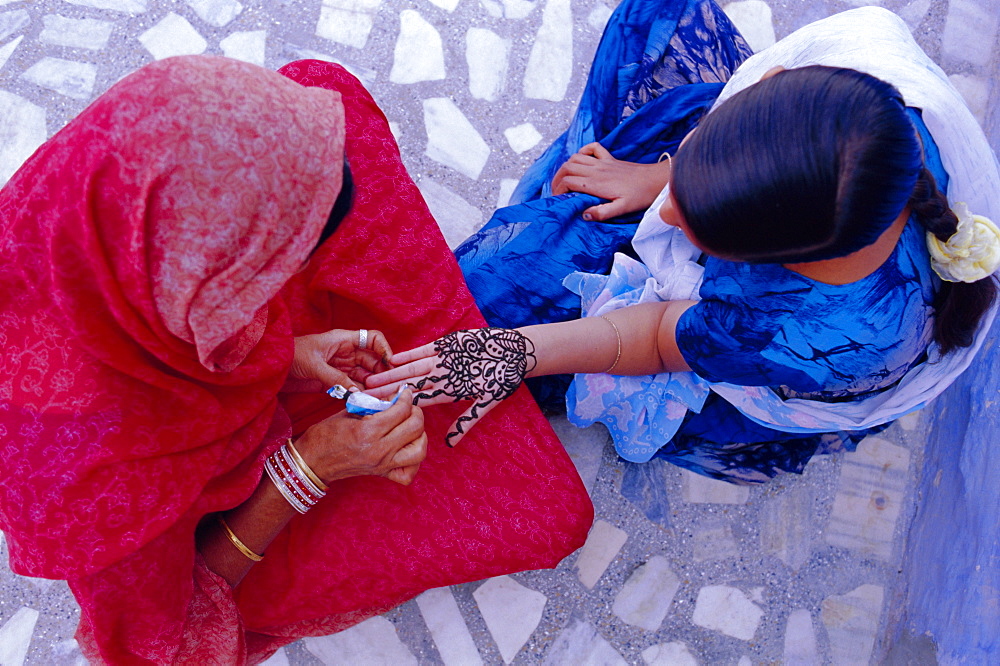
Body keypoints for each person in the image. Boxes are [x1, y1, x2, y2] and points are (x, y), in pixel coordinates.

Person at [0, 56, 592, 663]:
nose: (289, 284)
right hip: (232, 517)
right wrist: (306, 469)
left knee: (322, 94)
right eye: (273, 270)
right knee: (545, 511)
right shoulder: (85, 487)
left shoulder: (77, 205)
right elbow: (164, 644)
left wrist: (288, 355)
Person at [367, 1, 1000, 484]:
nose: (665, 214)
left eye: (689, 220)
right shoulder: (866, 102)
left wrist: (515, 353)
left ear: (768, 256)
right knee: (655, 14)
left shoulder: (793, 331)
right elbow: (745, 98)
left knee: (500, 286)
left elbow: (655, 334)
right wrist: (661, 173)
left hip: (739, 352)